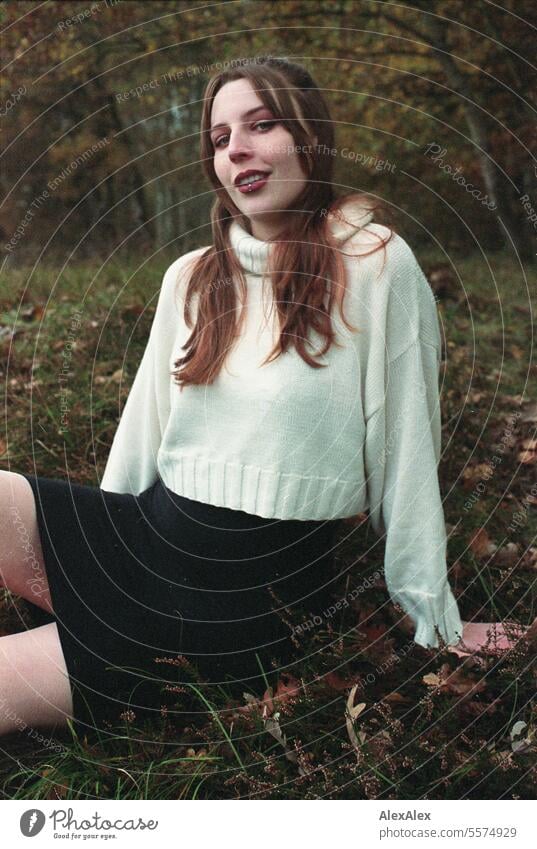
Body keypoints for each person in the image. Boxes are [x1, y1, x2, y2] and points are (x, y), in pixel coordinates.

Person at [0, 56, 466, 738]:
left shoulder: (375, 263)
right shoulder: (189, 276)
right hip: (145, 540)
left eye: (261, 124)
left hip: (240, 611)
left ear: (308, 135)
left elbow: (406, 457)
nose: (235, 149)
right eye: (218, 139)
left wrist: (432, 620)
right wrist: (86, 579)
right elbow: (140, 437)